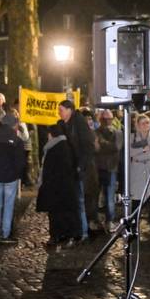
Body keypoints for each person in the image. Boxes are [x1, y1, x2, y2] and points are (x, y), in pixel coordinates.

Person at [0, 111, 27, 244]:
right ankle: (5, 234)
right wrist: (18, 174)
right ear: (14, 125)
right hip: (10, 177)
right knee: (8, 205)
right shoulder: (17, 141)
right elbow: (20, 161)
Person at [58, 99, 98, 241]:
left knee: (80, 201)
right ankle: (77, 230)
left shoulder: (79, 122)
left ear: (69, 110)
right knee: (74, 201)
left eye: (61, 110)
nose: (59, 113)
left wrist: (80, 165)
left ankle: (83, 232)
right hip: (71, 169)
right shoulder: (64, 124)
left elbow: (88, 146)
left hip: (81, 170)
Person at [36, 122, 81, 248]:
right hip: (65, 186)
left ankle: (58, 235)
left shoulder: (54, 147)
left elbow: (48, 169)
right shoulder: (67, 145)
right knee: (65, 211)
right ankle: (66, 235)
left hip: (55, 187)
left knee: (56, 213)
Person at [128, 113, 150, 232]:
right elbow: (129, 152)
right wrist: (143, 150)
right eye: (143, 123)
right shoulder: (131, 137)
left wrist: (138, 157)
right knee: (136, 199)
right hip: (136, 172)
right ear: (137, 125)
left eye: (148, 122)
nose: (146, 125)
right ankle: (134, 224)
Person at [95, 109, 122, 229]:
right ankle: (97, 220)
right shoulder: (96, 132)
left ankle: (109, 220)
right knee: (96, 196)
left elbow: (116, 147)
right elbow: (96, 148)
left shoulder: (118, 133)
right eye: (104, 119)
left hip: (111, 167)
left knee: (110, 196)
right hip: (98, 167)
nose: (107, 121)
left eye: (109, 118)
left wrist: (102, 144)